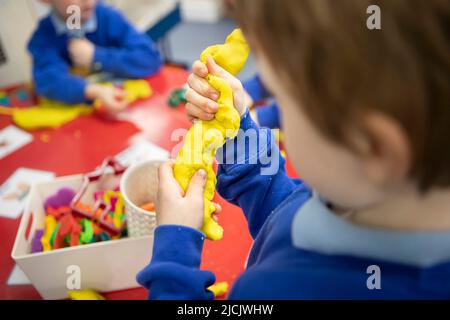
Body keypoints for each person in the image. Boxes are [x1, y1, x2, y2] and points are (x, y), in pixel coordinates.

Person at [138, 0, 450, 299]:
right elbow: (285, 213)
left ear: (373, 148)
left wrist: (174, 251)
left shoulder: (273, 291)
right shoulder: (355, 195)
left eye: (283, 103)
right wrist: (233, 125)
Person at [28, 0, 162, 114]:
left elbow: (150, 58)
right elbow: (47, 80)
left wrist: (96, 56)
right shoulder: (43, 37)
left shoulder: (108, 18)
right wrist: (93, 91)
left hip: (127, 110)